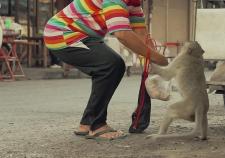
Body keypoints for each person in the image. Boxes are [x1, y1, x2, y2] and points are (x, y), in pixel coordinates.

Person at [43, 0, 168, 140]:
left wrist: (150, 59)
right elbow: (122, 34)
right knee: (111, 65)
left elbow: (141, 33)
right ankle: (97, 126)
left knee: (111, 65)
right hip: (62, 34)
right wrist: (157, 57)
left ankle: (87, 123)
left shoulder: (134, 3)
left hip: (82, 35)